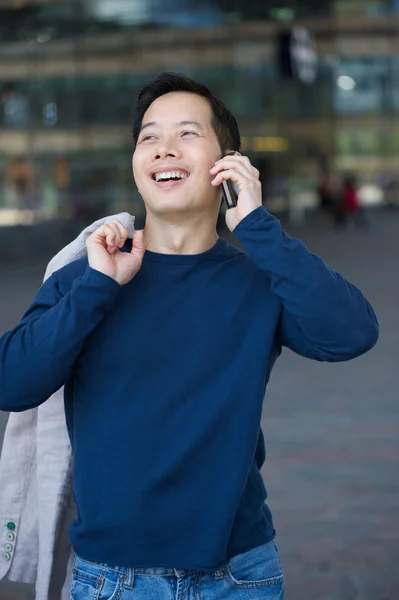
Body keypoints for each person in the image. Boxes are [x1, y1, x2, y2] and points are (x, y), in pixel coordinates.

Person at [0, 73, 379, 600]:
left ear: (228, 165)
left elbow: (352, 333)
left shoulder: (259, 282)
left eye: (187, 134)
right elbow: (11, 383)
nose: (163, 149)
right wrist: (96, 289)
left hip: (241, 574)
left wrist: (257, 225)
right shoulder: (87, 276)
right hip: (113, 578)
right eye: (148, 137)